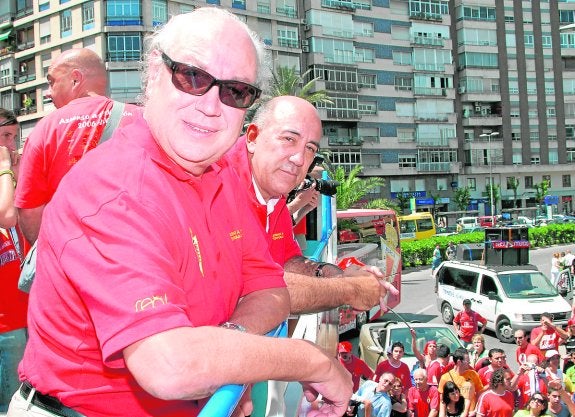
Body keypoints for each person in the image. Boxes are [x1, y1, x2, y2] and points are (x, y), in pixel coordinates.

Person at [8, 9, 353, 417]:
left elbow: (270, 289)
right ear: (154, 72)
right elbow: (169, 365)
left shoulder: (220, 173)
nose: (210, 105)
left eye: (235, 91)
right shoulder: (116, 188)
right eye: (192, 77)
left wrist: (226, 348)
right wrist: (311, 361)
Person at [226, 96, 397, 315]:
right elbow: (255, 285)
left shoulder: (273, 190)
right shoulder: (216, 183)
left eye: (309, 148)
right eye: (289, 139)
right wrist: (349, 289)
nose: (299, 158)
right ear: (253, 137)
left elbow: (288, 261)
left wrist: (338, 274)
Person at [15, 48, 139, 244]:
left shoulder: (44, 130)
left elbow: (30, 211)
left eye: (51, 81)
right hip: (136, 253)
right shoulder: (142, 120)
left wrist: (52, 256)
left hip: (71, 258)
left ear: (75, 79)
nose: (48, 93)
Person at [0, 109, 28, 413]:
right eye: (6, 136)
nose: (12, 144)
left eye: (14, 137)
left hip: (20, 315)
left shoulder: (9, 181)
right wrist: (6, 168)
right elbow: (5, 215)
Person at [438, 347, 484, 417]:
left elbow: (480, 394)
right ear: (459, 362)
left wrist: (475, 410)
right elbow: (442, 400)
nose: (469, 363)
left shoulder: (473, 374)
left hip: (470, 414)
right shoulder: (445, 377)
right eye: (467, 361)